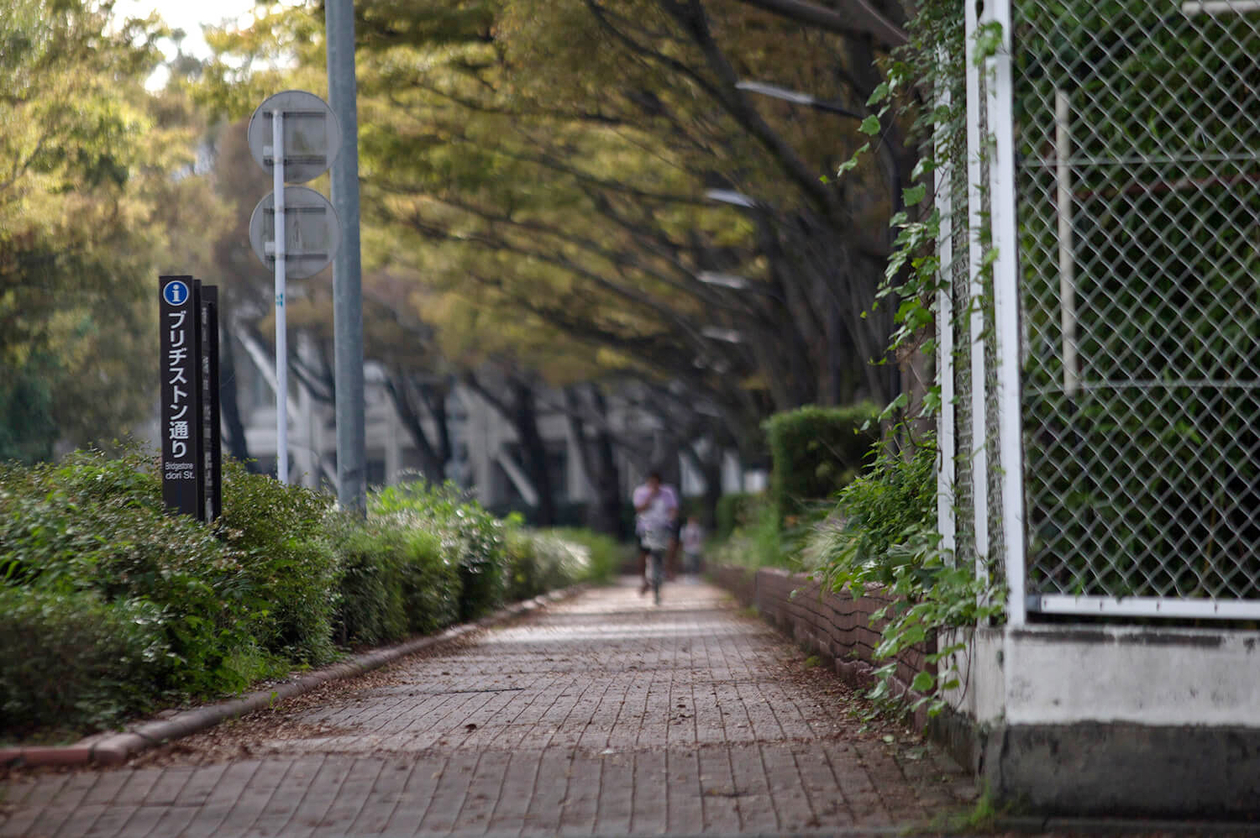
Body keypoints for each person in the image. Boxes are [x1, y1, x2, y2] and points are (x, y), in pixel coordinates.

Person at [633, 470, 678, 595]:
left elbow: (673, 509)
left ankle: (669, 569)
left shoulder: (668, 492)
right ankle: (644, 581)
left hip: (663, 526)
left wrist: (671, 518)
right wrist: (650, 496)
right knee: (642, 554)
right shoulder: (640, 492)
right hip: (645, 527)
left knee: (672, 543)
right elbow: (638, 509)